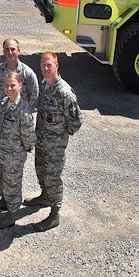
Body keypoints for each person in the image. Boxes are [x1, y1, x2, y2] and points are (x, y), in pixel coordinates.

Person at [24, 52, 83, 232]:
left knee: (53, 177)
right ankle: (45, 196)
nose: (45, 69)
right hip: (41, 141)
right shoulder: (44, 85)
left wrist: (60, 136)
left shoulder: (63, 92)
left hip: (55, 147)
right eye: (43, 65)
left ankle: (55, 212)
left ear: (57, 66)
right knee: (40, 171)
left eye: (49, 65)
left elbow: (76, 121)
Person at [0, 38, 39, 190]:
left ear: (18, 50)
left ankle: (10, 191)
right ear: (3, 52)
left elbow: (34, 94)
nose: (10, 52)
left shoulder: (27, 73)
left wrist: (21, 110)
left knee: (14, 156)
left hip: (18, 120)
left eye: (13, 49)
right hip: (0, 118)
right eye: (7, 50)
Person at [0, 72, 36, 229]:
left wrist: (23, 150)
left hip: (14, 156)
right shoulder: (3, 103)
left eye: (12, 85)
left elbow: (29, 136)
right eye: (6, 85)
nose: (9, 88)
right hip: (0, 151)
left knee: (13, 185)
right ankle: (4, 200)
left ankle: (13, 213)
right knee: (2, 180)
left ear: (20, 86)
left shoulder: (23, 109)